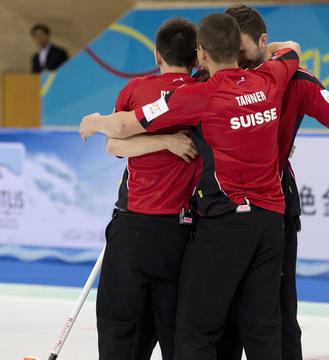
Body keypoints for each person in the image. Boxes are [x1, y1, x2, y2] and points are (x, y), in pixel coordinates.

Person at [79, 13, 301, 359]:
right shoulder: (259, 80)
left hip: (138, 227)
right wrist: (168, 142)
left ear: (200, 54)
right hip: (189, 232)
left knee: (128, 328)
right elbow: (290, 49)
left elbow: (117, 136)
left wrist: (95, 121)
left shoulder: (176, 94)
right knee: (210, 328)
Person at [217, 5, 329, 360]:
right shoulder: (216, 75)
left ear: (262, 41)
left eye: (243, 51)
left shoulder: (297, 81)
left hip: (274, 210)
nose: (236, 60)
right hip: (219, 211)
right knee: (221, 318)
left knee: (277, 318)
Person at [95, 18, 199, 360]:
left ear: (158, 55)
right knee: (175, 333)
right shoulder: (203, 92)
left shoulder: (136, 89)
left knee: (118, 329)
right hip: (180, 235)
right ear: (197, 57)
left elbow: (114, 144)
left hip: (134, 230)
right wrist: (167, 141)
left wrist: (159, 141)